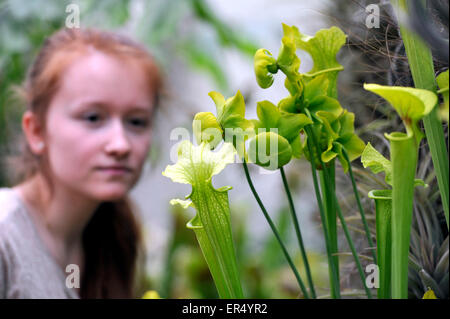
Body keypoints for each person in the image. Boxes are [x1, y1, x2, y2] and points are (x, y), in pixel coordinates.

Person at [0, 28, 162, 298]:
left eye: (136, 122)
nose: (120, 144)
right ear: (36, 131)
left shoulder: (114, 237)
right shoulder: (6, 238)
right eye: (93, 118)